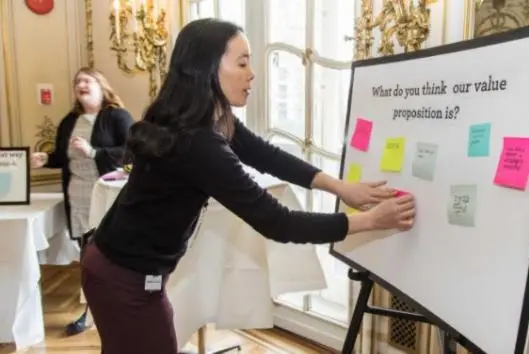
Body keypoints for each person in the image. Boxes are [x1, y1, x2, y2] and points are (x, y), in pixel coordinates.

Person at [80, 18, 416, 354]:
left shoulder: (203, 115)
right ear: (208, 68)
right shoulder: (197, 141)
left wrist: (340, 187)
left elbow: (266, 155)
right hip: (121, 278)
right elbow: (277, 221)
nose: (252, 73)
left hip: (122, 269)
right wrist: (369, 221)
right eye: (242, 62)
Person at [31, 67, 134, 336]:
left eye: (87, 80)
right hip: (78, 198)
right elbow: (65, 156)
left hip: (108, 197)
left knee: (115, 256)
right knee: (88, 259)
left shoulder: (117, 117)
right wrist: (47, 160)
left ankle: (124, 308)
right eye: (77, 81)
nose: (81, 84)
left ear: (101, 86)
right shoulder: (69, 121)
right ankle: (92, 313)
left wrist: (95, 152)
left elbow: (133, 151)